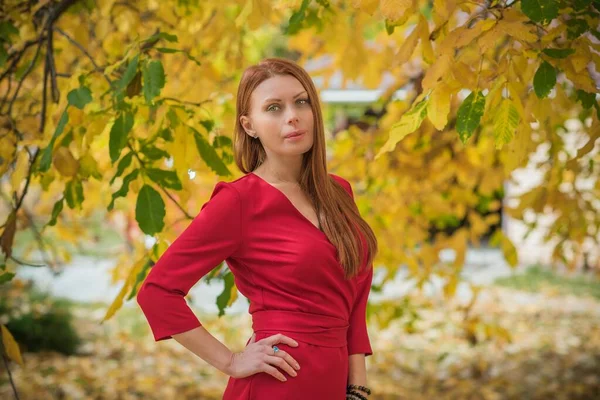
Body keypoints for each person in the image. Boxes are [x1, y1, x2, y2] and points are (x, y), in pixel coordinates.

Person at [136, 57, 379, 400]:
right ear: (249, 126)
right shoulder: (238, 201)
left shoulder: (338, 192)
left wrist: (358, 385)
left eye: (301, 101)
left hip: (334, 382)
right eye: (274, 108)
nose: (292, 116)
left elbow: (355, 295)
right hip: (277, 381)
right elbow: (157, 292)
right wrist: (231, 361)